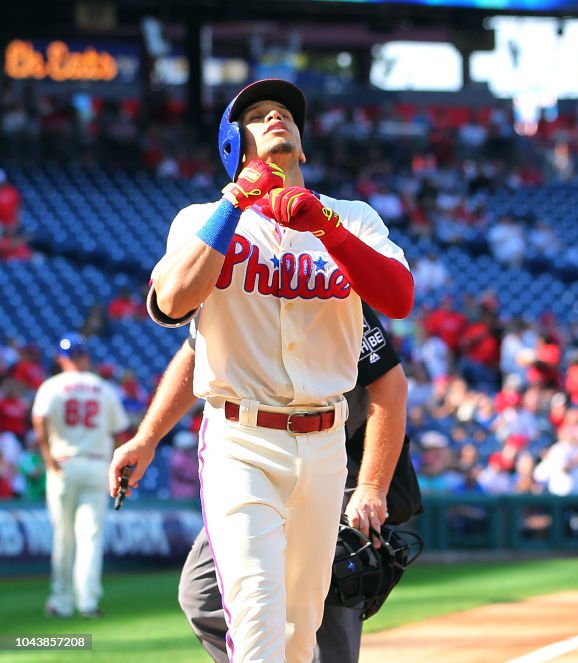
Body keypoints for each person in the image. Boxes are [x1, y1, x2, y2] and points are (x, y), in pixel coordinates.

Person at [110, 78, 413, 662]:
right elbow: (172, 305)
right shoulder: (201, 218)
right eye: (258, 115)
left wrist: (325, 228)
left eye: (284, 114)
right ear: (236, 146)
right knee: (255, 620)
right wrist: (233, 204)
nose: (276, 117)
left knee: (302, 632)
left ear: (301, 145)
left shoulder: (352, 217)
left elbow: (398, 297)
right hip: (240, 441)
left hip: (325, 447)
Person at [111, 302, 410, 662]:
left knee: (330, 594)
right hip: (248, 451)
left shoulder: (327, 276)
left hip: (336, 456)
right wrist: (147, 438)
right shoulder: (235, 273)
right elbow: (195, 354)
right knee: (202, 593)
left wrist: (371, 486)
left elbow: (389, 384)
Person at [33, 333, 131, 618]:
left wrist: (47, 454)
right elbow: (119, 430)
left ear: (62, 358)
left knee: (63, 537)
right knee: (90, 536)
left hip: (63, 463)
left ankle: (61, 601)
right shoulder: (103, 388)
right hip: (97, 464)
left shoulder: (52, 386)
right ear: (86, 357)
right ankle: (87, 601)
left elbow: (39, 418)